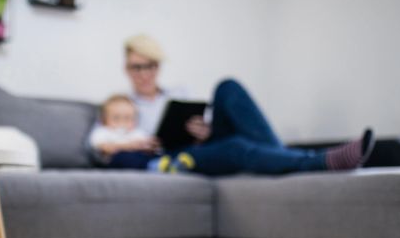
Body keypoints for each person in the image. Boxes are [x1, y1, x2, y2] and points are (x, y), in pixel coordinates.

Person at [113, 33, 375, 175]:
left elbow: (207, 128)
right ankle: (318, 161)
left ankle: (280, 158)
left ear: (158, 66)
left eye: (150, 66)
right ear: (126, 68)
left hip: (203, 145)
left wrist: (205, 131)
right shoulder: (123, 107)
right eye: (137, 67)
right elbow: (100, 145)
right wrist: (135, 143)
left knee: (227, 87)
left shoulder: (179, 93)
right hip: (175, 158)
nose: (144, 74)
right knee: (236, 147)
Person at [88, 94, 160, 169]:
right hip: (117, 159)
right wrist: (129, 146)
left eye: (128, 118)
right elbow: (105, 147)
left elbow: (146, 145)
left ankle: (163, 163)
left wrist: (150, 146)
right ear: (104, 120)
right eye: (116, 118)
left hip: (140, 156)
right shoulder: (103, 131)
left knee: (153, 154)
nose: (122, 122)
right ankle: (154, 166)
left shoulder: (137, 132)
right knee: (124, 157)